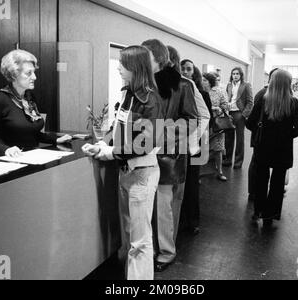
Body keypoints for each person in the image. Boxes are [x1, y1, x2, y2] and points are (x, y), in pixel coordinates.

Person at [82, 45, 163, 280]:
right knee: (130, 237)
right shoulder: (127, 94)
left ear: (136, 68)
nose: (118, 67)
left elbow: (145, 144)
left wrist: (110, 153)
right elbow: (118, 129)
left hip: (142, 174)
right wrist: (103, 145)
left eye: (123, 63)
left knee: (140, 241)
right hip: (126, 173)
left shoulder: (151, 100)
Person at [142, 39, 199, 272]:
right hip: (143, 153)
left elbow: (191, 120)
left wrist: (162, 133)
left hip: (169, 155)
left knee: (165, 208)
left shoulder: (182, 85)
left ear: (156, 58)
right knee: (149, 207)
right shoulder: (143, 83)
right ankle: (153, 248)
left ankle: (166, 251)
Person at [0, 49, 71, 158]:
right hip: (6, 162)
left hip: (30, 159)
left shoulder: (29, 97)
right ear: (14, 74)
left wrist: (55, 139)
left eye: (34, 72)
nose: (34, 77)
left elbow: (32, 133)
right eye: (29, 73)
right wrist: (6, 149)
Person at [246, 69, 298, 227]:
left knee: (261, 180)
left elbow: (249, 123)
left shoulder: (263, 100)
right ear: (288, 84)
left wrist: (262, 132)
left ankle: (258, 210)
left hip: (262, 147)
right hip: (283, 149)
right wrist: (286, 135)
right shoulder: (293, 103)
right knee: (278, 183)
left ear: (271, 82)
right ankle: (270, 215)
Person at [179, 58, 212, 235]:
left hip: (196, 142)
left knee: (192, 182)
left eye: (188, 69)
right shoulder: (178, 89)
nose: (185, 71)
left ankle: (192, 220)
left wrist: (194, 140)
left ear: (194, 72)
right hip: (183, 141)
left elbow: (206, 118)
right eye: (182, 69)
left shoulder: (201, 92)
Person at [248, 68, 278, 202]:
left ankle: (255, 190)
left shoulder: (277, 95)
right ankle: (253, 191)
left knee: (259, 164)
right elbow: (252, 120)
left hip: (263, 137)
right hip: (259, 137)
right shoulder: (262, 94)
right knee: (256, 163)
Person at [224, 67, 253, 169]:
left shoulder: (246, 85)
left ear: (241, 75)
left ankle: (238, 162)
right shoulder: (229, 85)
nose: (235, 75)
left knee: (240, 140)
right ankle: (227, 160)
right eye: (233, 74)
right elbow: (227, 98)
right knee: (228, 138)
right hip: (229, 113)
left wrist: (244, 115)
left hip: (239, 114)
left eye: (237, 74)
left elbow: (250, 102)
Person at [203, 72, 228, 181]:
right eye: (202, 80)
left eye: (205, 80)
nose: (202, 82)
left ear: (210, 82)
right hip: (204, 124)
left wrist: (219, 109)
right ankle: (200, 173)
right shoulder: (200, 92)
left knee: (218, 149)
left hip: (217, 124)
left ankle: (220, 171)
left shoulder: (219, 91)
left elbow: (225, 105)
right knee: (203, 149)